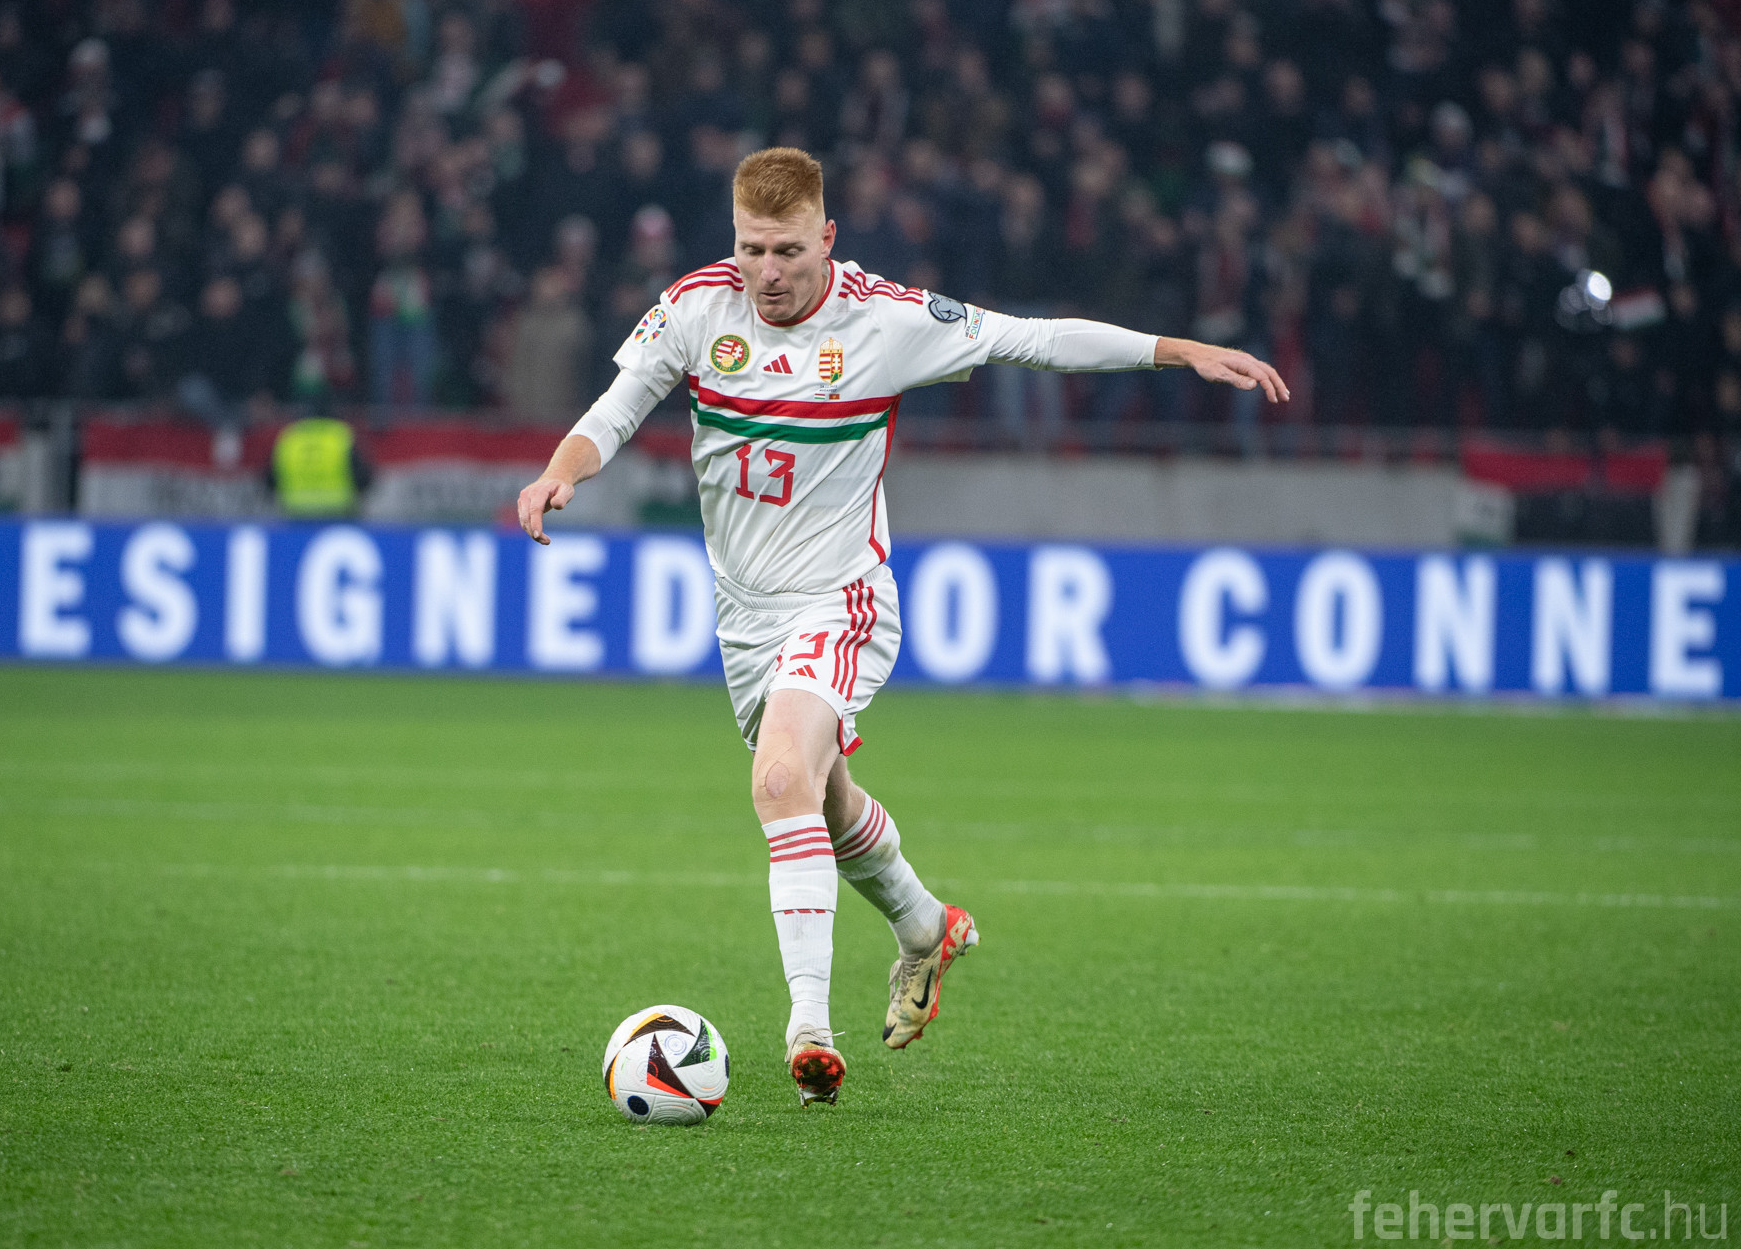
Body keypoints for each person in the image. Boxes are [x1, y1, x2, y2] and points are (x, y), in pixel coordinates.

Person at [514, 148, 1287, 1108]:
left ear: (827, 239)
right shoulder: (696, 307)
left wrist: (1176, 351)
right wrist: (560, 473)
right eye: (752, 249)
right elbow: (618, 406)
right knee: (823, 800)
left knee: (777, 780)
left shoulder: (885, 320)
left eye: (789, 251)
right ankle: (926, 928)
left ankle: (808, 1030)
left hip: (841, 599)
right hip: (744, 615)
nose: (768, 273)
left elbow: (1032, 340)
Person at [270, 414, 371, 517]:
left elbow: (271, 478)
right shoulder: (340, 434)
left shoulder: (290, 436)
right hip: (338, 510)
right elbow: (363, 477)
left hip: (296, 511)